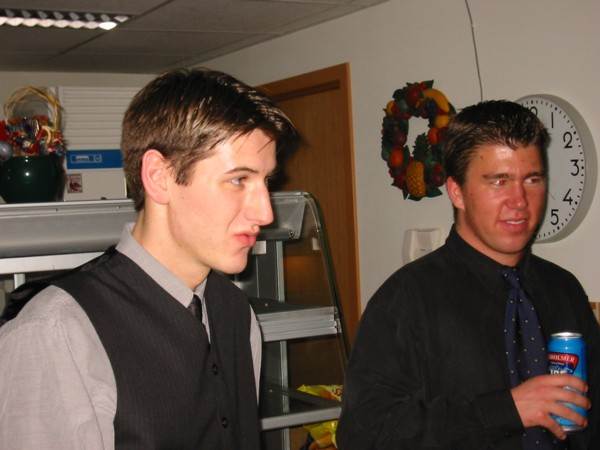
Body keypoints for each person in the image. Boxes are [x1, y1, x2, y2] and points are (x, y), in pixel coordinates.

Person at [0, 68, 299, 449]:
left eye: (266, 182)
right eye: (239, 180)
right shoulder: (57, 332)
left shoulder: (236, 311)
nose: (266, 213)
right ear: (159, 177)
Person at [337, 100, 599, 450]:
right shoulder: (405, 300)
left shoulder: (564, 288)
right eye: (499, 181)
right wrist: (506, 410)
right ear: (457, 192)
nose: (520, 201)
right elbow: (364, 436)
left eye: (532, 179)